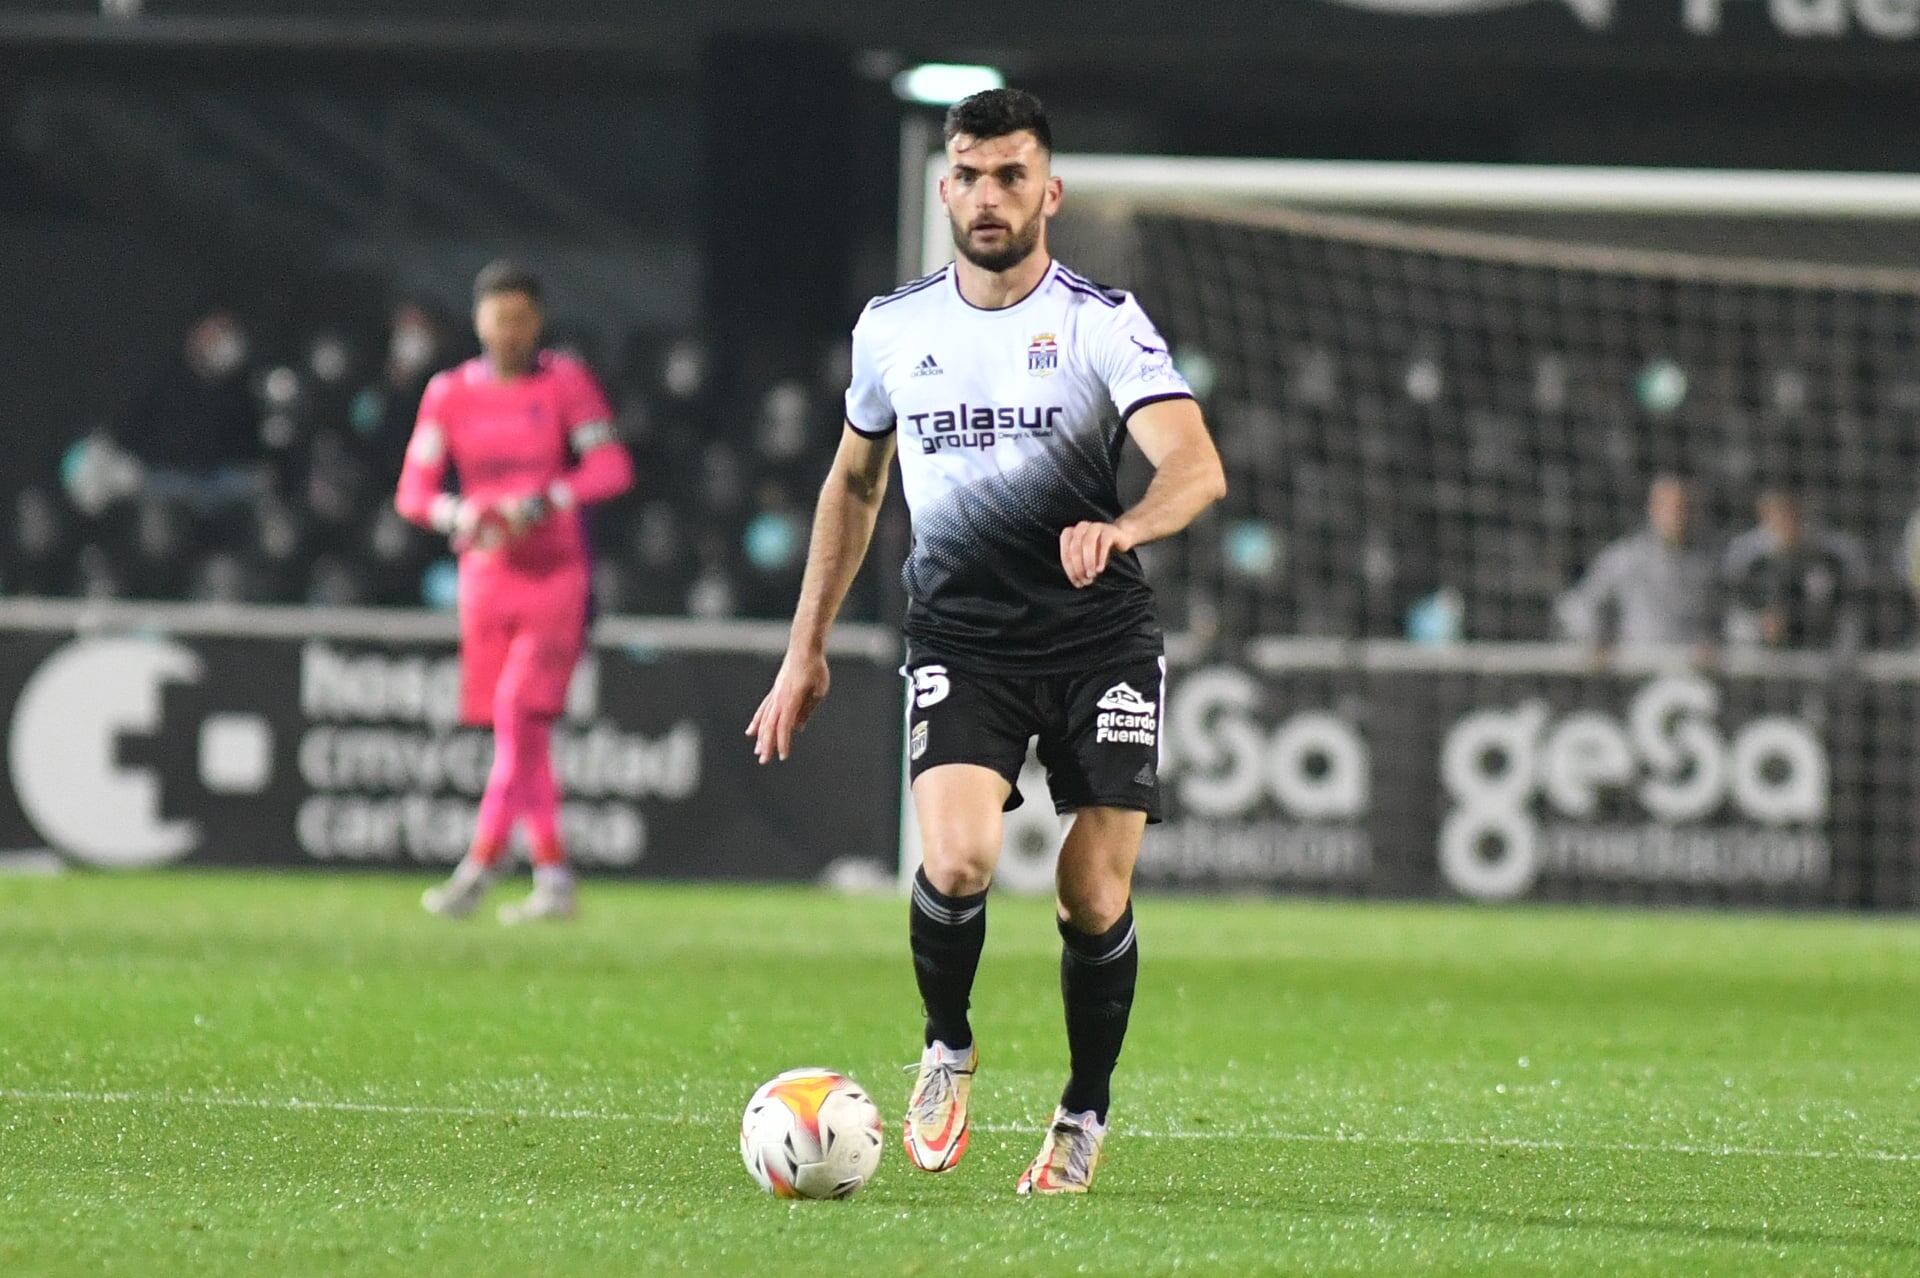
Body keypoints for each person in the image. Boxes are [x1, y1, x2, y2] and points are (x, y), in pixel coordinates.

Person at [746, 89, 1226, 1195]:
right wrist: (803, 646)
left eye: (1011, 174)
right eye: (968, 173)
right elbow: (855, 484)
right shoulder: (895, 326)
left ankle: (1084, 1112)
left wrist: (1129, 524)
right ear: (945, 187)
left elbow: (1194, 464)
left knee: (1092, 897)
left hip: (1098, 637)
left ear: (1047, 191)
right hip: (963, 635)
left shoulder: (1101, 320)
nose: (988, 194)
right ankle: (947, 1045)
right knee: (955, 862)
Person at [397, 262, 633, 923]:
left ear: (538, 321)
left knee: (516, 716)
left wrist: (551, 497)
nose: (511, 331)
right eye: (500, 318)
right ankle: (553, 875)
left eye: (522, 319)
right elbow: (413, 491)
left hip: (555, 577)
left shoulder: (565, 384)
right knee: (519, 733)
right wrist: (457, 515)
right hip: (485, 578)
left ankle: (481, 865)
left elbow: (611, 467)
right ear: (479, 321)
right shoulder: (448, 393)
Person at [1557, 474, 1717, 661]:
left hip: (1690, 669)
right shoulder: (1627, 557)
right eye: (1671, 507)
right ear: (1653, 509)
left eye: (1685, 508)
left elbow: (1723, 618)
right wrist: (1595, 640)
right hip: (1638, 671)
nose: (1678, 515)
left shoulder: (1707, 563)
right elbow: (1576, 606)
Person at [1722, 487, 1869, 662]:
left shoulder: (1830, 559)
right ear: (1765, 515)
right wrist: (1760, 628)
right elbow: (1733, 615)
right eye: (1780, 514)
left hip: (1820, 659)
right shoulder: (1750, 561)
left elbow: (1849, 614)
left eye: (1794, 513)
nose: (1788, 521)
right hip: (1763, 662)